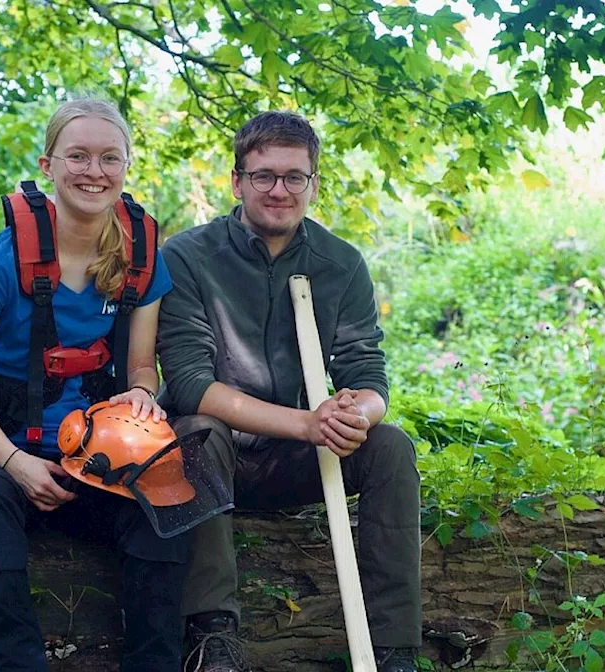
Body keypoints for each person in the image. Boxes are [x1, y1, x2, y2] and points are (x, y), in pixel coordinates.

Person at [157, 110, 422, 672]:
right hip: (212, 460)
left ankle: (394, 648)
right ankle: (214, 636)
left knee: (391, 446)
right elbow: (188, 384)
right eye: (263, 176)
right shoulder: (186, 257)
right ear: (237, 181)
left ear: (313, 183)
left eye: (294, 177)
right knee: (198, 432)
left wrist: (357, 414)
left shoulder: (342, 265)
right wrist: (305, 422)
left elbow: (368, 375)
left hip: (295, 461)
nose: (280, 190)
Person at [0, 98, 186, 671]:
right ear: (49, 166)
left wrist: (143, 395)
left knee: (163, 513)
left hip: (96, 453)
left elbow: (143, 369)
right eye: (77, 156)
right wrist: (14, 463)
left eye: (108, 158)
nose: (93, 172)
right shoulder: (2, 262)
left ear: (125, 167)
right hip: (2, 446)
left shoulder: (143, 260)